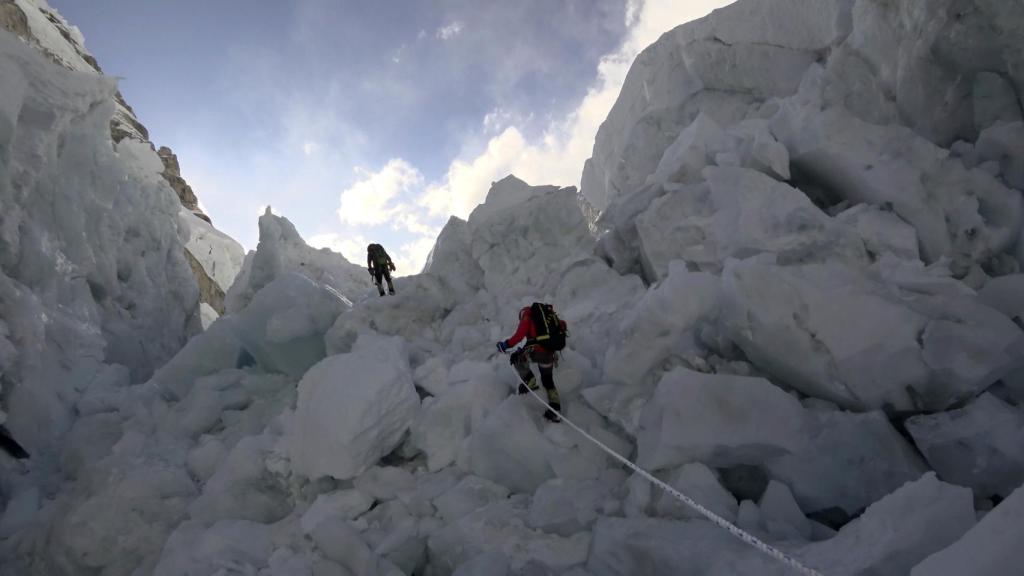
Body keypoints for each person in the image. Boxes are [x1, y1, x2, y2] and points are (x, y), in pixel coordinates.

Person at [496, 304, 566, 422]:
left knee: (517, 358)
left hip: (536, 353)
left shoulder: (527, 316)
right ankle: (556, 410)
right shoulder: (549, 316)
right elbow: (563, 325)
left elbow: (519, 335)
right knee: (548, 380)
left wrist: (505, 345)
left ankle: (530, 381)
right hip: (549, 355)